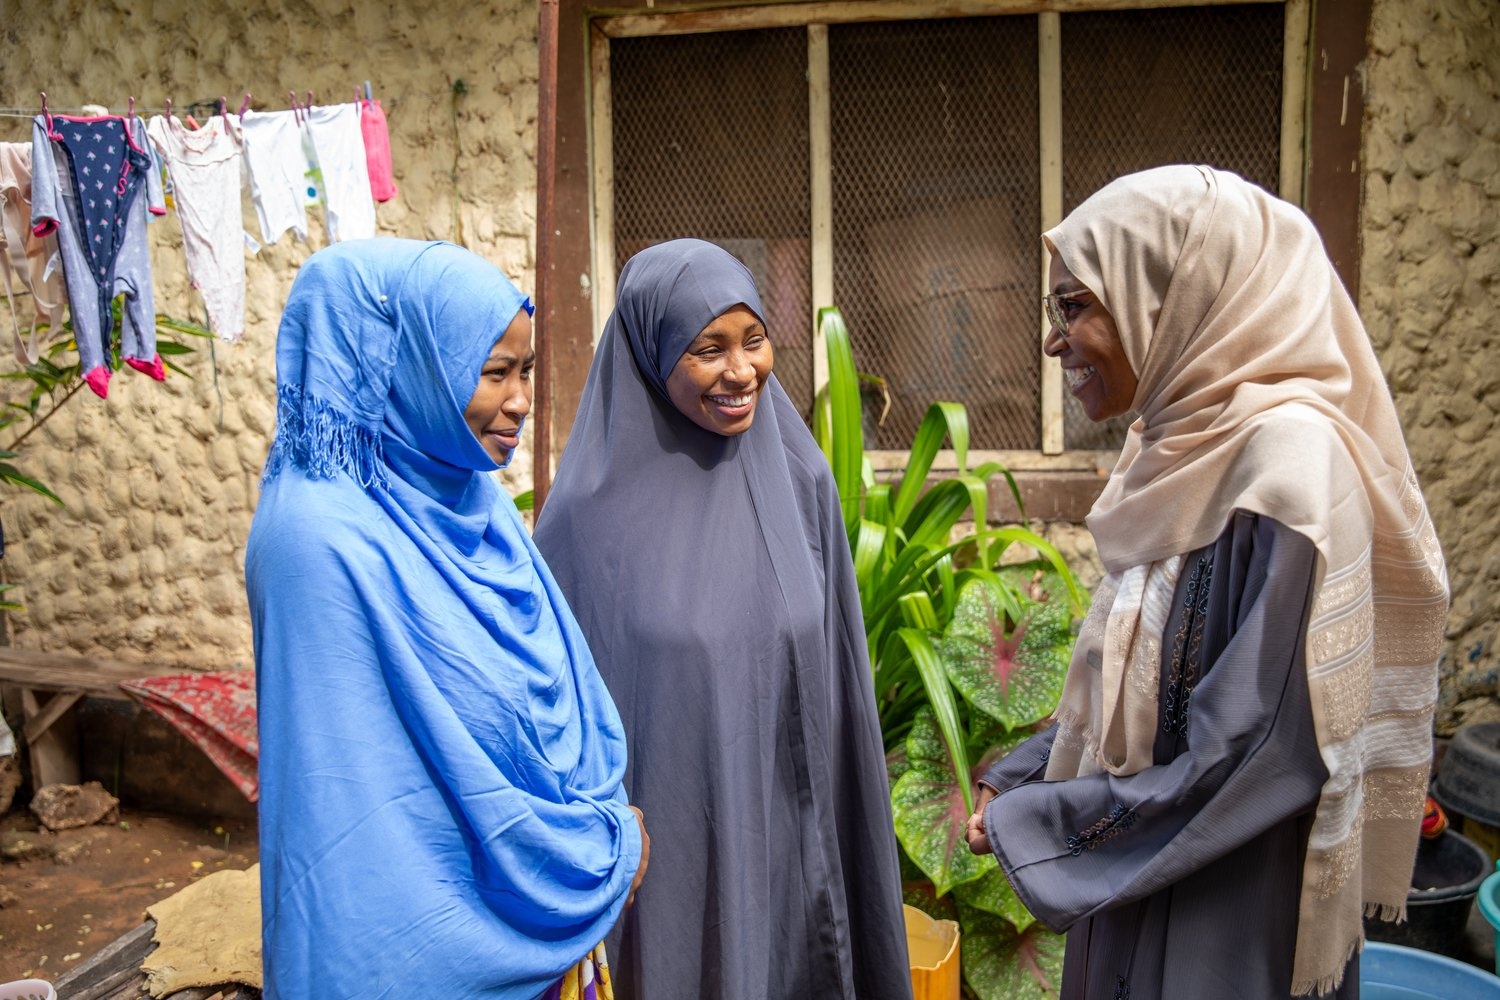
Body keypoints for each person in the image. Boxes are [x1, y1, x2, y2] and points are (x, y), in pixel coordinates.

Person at [963, 165, 1449, 999]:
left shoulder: (1290, 472)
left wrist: (1050, 823)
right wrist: (1023, 773)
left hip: (1222, 904)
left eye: (1074, 306)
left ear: (1176, 296)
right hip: (1140, 861)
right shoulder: (1180, 444)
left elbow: (1258, 747)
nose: (1051, 341)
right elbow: (1140, 679)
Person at [246, 240, 647, 999]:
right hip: (422, 950)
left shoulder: (472, 496)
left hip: (551, 919)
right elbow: (352, 810)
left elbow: (535, 694)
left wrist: (589, 839)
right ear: (406, 367)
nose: (522, 400)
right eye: (494, 372)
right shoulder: (318, 541)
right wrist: (585, 852)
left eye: (525, 371)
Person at [533, 239, 913, 1000]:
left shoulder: (800, 478)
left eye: (754, 340)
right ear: (651, 351)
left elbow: (837, 666)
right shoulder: (584, 522)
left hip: (797, 841)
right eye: (708, 349)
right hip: (679, 854)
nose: (742, 371)